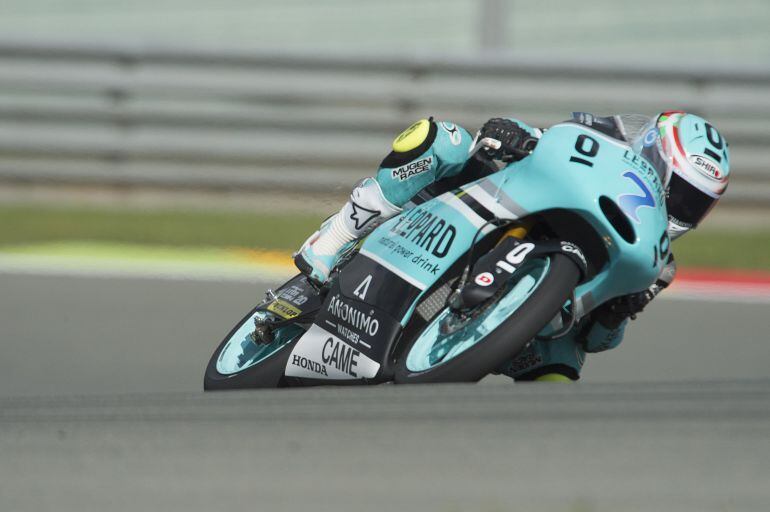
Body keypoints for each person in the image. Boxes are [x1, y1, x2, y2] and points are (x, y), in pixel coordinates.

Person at [293, 111, 731, 381]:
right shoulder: (602, 135)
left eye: (697, 204)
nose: (680, 209)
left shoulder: (657, 262)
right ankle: (337, 235)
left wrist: (616, 314)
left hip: (538, 320)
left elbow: (600, 341)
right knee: (440, 138)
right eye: (681, 193)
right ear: (655, 156)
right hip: (502, 199)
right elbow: (534, 136)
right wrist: (515, 135)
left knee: (563, 369)